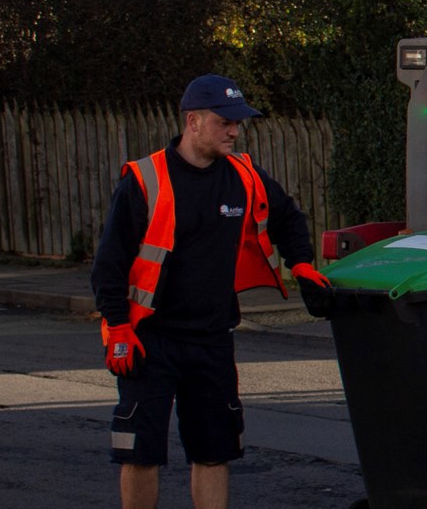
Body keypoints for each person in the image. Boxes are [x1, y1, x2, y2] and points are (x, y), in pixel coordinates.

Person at [89, 74, 327, 509]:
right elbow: (109, 263)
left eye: (238, 123)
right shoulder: (145, 180)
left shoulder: (244, 176)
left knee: (214, 453)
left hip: (213, 339)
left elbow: (288, 217)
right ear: (193, 121)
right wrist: (118, 327)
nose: (234, 131)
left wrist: (303, 264)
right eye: (225, 122)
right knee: (141, 454)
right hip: (150, 341)